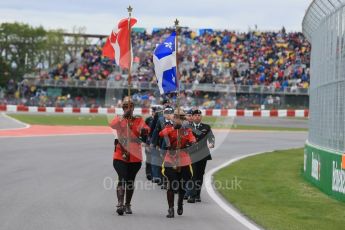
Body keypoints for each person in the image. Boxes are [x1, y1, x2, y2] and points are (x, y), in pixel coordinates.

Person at [110, 97, 150, 215]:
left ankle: (128, 204)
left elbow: (146, 129)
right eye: (126, 107)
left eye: (131, 107)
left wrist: (143, 131)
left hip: (134, 156)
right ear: (123, 108)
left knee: (130, 181)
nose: (129, 109)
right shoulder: (119, 119)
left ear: (133, 108)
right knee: (122, 177)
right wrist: (123, 116)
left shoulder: (138, 120)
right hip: (120, 154)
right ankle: (120, 204)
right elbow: (112, 125)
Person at [160, 108, 196, 218]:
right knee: (171, 184)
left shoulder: (187, 130)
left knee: (182, 184)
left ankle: (180, 203)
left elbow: (192, 139)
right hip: (170, 159)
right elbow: (161, 134)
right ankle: (170, 209)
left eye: (182, 118)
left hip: (184, 159)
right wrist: (173, 129)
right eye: (177, 118)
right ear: (174, 118)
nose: (179, 120)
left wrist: (191, 143)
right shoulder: (169, 127)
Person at [187, 109, 215, 203]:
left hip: (203, 154)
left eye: (199, 115)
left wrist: (211, 143)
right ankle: (191, 195)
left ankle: (197, 194)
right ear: (192, 117)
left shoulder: (206, 127)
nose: (197, 117)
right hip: (191, 154)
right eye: (195, 115)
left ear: (201, 117)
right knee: (192, 174)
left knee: (200, 174)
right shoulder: (187, 127)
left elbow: (211, 137)